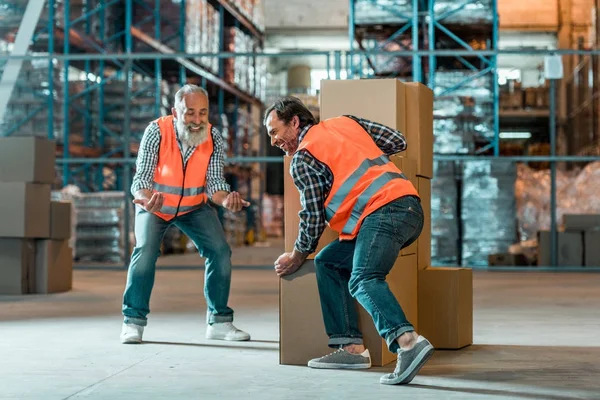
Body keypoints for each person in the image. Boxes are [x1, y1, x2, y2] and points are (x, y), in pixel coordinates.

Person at [265, 96, 434, 385]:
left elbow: (313, 217)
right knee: (328, 261)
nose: (273, 141)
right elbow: (397, 141)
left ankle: (408, 341)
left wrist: (296, 255)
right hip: (409, 209)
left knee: (364, 278)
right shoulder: (345, 123)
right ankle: (351, 348)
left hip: (383, 212)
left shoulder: (304, 157)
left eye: (274, 131)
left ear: (294, 122)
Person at [120, 84, 251, 344]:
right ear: (175, 111)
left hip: (194, 207)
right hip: (155, 205)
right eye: (190, 113)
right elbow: (141, 179)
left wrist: (226, 201)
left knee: (220, 251)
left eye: (203, 113)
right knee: (145, 251)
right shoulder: (156, 131)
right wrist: (147, 201)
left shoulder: (213, 136)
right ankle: (132, 322)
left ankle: (219, 322)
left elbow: (214, 182)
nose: (197, 120)